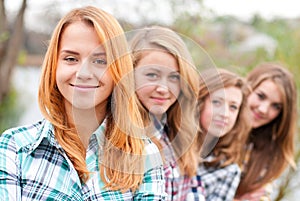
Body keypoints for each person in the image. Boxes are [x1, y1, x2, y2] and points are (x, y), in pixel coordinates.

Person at [0, 6, 166, 200]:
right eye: (71, 58)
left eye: (100, 61)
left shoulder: (145, 155)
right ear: (54, 65)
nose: (84, 73)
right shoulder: (14, 147)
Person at [129, 26, 204, 200]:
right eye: (152, 75)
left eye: (174, 77)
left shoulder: (177, 133)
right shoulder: (115, 136)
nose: (163, 88)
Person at [235, 62, 297, 201]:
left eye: (276, 106)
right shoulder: (213, 128)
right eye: (261, 96)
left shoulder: (268, 154)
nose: (263, 109)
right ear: (248, 87)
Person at [196, 68, 251, 201]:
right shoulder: (168, 141)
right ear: (199, 101)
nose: (225, 114)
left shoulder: (228, 171)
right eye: (216, 102)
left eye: (233, 107)